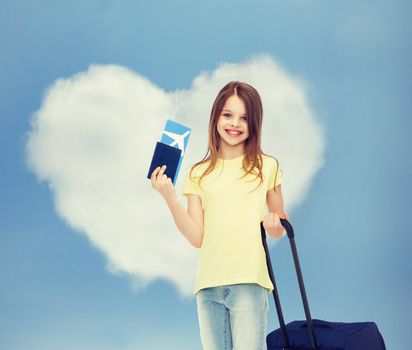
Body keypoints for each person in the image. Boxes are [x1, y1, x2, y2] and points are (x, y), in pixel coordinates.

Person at [151, 81, 289, 350]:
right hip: (209, 286)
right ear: (216, 117)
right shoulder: (197, 173)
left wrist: (275, 224)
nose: (235, 124)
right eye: (228, 115)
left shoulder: (267, 166)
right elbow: (197, 237)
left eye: (244, 118)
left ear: (255, 124)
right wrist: (169, 197)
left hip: (250, 282)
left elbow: (279, 223)